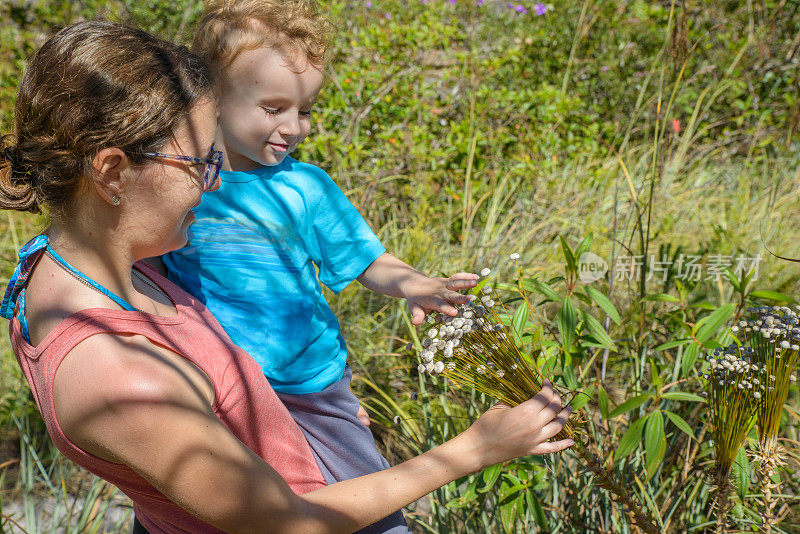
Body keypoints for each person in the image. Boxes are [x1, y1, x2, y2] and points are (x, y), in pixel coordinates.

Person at [0, 20, 573, 534]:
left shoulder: (69, 266)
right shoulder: (121, 379)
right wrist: (476, 448)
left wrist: (307, 412)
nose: (216, 183)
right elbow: (290, 524)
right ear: (112, 173)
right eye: (202, 163)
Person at [161, 4, 478, 530]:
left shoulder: (305, 188)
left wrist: (416, 285)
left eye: (304, 109)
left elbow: (366, 259)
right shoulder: (181, 183)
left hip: (312, 387)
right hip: (219, 389)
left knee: (368, 510)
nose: (294, 127)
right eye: (274, 107)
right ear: (211, 97)